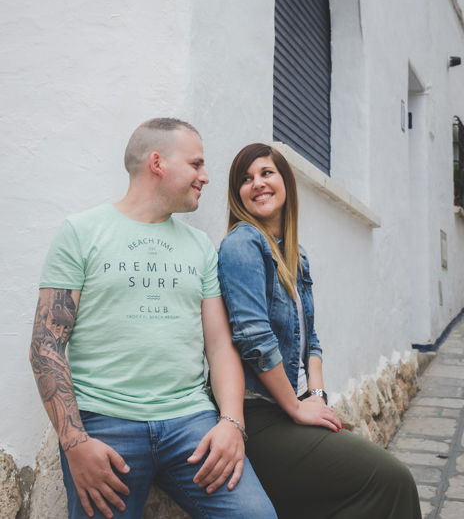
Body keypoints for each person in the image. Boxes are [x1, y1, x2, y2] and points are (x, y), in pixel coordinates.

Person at [29, 119, 277, 519]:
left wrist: (232, 422)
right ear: (158, 162)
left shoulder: (198, 246)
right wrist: (75, 442)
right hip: (104, 424)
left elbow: (219, 345)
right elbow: (46, 344)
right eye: (196, 164)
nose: (206, 176)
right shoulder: (81, 231)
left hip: (190, 424)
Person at [218, 143, 422, 519]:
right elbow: (254, 339)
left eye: (266, 173)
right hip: (255, 415)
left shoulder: (295, 254)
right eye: (246, 179)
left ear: (285, 182)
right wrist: (296, 407)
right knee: (391, 478)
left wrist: (317, 396)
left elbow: (311, 340)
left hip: (285, 406)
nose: (257, 184)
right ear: (237, 194)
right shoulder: (243, 244)